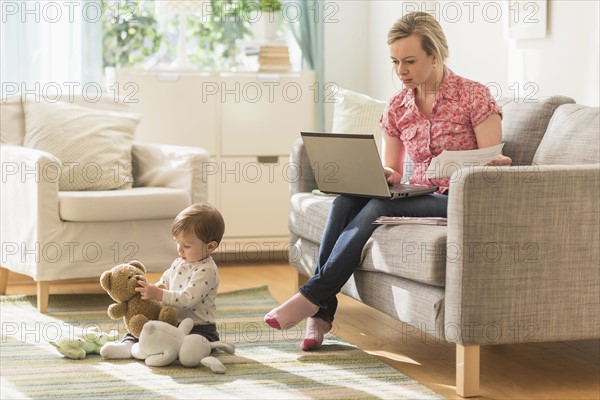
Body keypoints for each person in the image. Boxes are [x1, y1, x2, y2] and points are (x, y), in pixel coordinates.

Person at [263, 11, 511, 351]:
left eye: (410, 61)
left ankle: (313, 301)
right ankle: (320, 310)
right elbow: (392, 170)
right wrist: (380, 175)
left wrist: (491, 163)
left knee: (378, 205)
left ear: (435, 55)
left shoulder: (474, 96)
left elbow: (492, 162)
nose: (401, 72)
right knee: (345, 201)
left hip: (458, 197)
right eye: (395, 62)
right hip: (417, 192)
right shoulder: (397, 106)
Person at [101, 202, 225, 359]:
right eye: (177, 243)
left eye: (186, 245)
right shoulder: (181, 261)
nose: (180, 249)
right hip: (170, 321)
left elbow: (188, 299)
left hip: (198, 328)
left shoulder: (206, 270)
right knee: (144, 324)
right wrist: (154, 289)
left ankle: (190, 350)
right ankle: (129, 344)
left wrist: (159, 294)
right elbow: (167, 278)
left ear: (210, 246)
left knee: (190, 345)